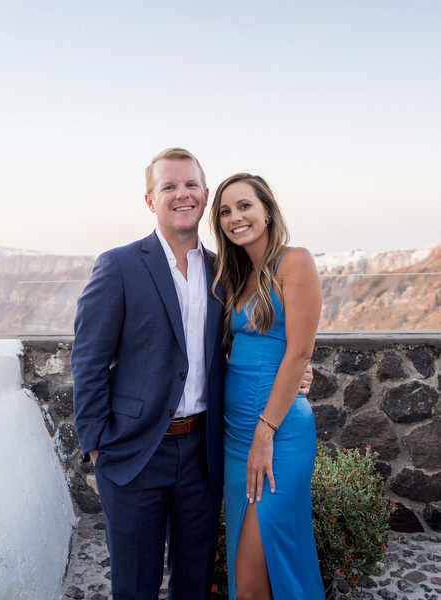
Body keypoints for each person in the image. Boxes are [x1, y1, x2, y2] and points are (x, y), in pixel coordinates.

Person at [72, 148, 312, 600]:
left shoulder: (224, 271)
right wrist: (98, 447)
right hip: (135, 453)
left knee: (195, 580)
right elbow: (87, 362)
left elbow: (246, 343)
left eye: (190, 186)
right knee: (135, 585)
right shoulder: (119, 265)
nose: (181, 194)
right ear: (150, 200)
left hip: (205, 453)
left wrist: (296, 370)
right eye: (169, 186)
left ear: (203, 196)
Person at [210, 173, 324, 600]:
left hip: (277, 433)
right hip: (234, 434)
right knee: (248, 574)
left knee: (257, 569)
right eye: (224, 211)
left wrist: (265, 432)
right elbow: (231, 352)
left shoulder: (295, 261)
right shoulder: (236, 275)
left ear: (268, 211)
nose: (235, 217)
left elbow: (299, 353)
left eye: (244, 206)